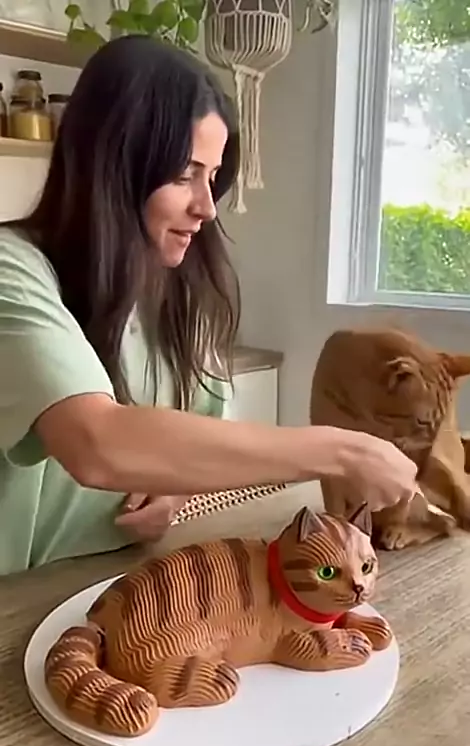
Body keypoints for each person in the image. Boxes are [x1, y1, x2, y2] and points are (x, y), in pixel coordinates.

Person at [0, 35, 417, 575]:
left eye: (212, 177)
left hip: (119, 578)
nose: (206, 207)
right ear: (113, 167)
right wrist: (341, 451)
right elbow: (95, 442)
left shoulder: (177, 287)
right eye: (184, 175)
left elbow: (195, 437)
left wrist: (174, 487)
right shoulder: (13, 271)